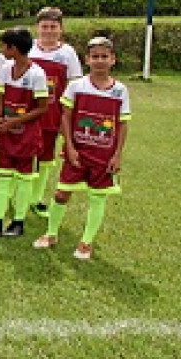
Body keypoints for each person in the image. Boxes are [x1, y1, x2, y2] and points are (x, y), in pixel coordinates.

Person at [34, 37, 130, 260]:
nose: (99, 61)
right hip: (77, 151)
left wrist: (117, 155)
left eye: (104, 56)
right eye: (95, 56)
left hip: (103, 155)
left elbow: (123, 124)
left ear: (112, 60)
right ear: (87, 59)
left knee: (97, 198)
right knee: (61, 193)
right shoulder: (76, 86)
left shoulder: (120, 91)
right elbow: (66, 117)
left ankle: (86, 243)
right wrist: (69, 146)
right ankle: (51, 234)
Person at [0, 27, 49, 238]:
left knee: (24, 179)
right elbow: (0, 97)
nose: (2, 49)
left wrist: (15, 121)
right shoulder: (6, 68)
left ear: (13, 48)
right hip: (7, 134)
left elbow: (42, 108)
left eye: (4, 46)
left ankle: (18, 222)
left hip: (26, 136)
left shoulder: (37, 74)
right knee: (3, 177)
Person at [28, 7, 83, 217]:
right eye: (44, 26)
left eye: (53, 27)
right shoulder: (28, 48)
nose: (49, 31)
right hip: (27, 113)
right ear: (37, 27)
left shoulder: (67, 53)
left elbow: (74, 86)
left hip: (52, 115)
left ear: (61, 29)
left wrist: (67, 117)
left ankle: (36, 198)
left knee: (44, 157)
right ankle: (18, 196)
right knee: (22, 154)